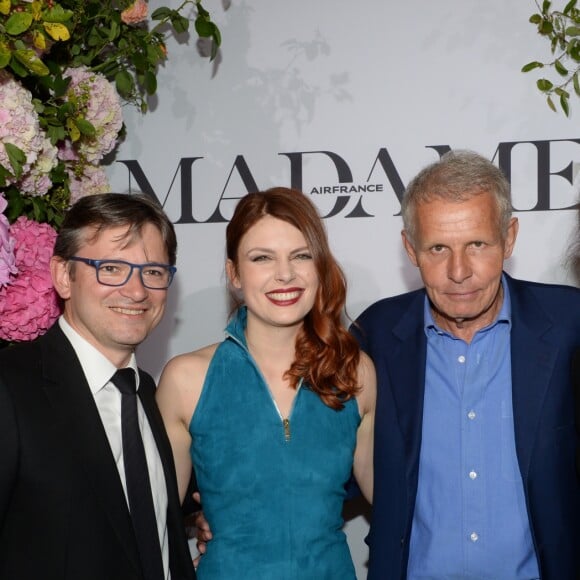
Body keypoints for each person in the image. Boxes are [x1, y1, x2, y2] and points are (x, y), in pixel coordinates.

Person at [352, 150, 580, 579]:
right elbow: (323, 458)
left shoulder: (570, 325)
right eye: (438, 248)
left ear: (509, 238)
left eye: (477, 244)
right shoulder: (376, 335)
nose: (459, 271)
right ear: (410, 248)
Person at [156, 187, 376, 580]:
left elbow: (395, 500)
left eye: (301, 255)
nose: (285, 274)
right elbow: (153, 519)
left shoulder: (355, 372)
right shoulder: (186, 379)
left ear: (319, 267)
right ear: (234, 274)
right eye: (262, 258)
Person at [0, 193, 196, 580]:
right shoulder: (9, 388)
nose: (137, 291)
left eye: (153, 272)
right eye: (111, 267)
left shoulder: (146, 393)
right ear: (62, 276)